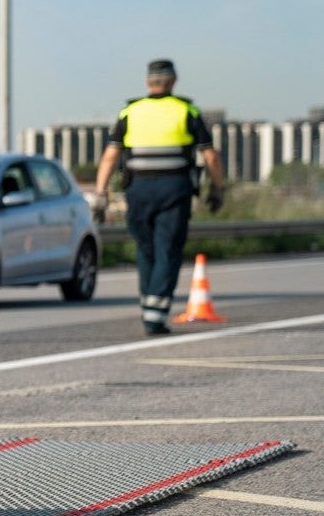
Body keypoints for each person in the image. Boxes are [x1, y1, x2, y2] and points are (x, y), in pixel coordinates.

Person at [92, 58, 225, 336]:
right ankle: (154, 315)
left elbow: (110, 156)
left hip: (138, 191)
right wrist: (217, 188)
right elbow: (210, 154)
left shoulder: (130, 112)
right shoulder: (186, 110)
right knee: (168, 250)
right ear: (173, 81)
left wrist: (101, 194)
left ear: (147, 82)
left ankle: (149, 307)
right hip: (174, 191)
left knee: (146, 249)